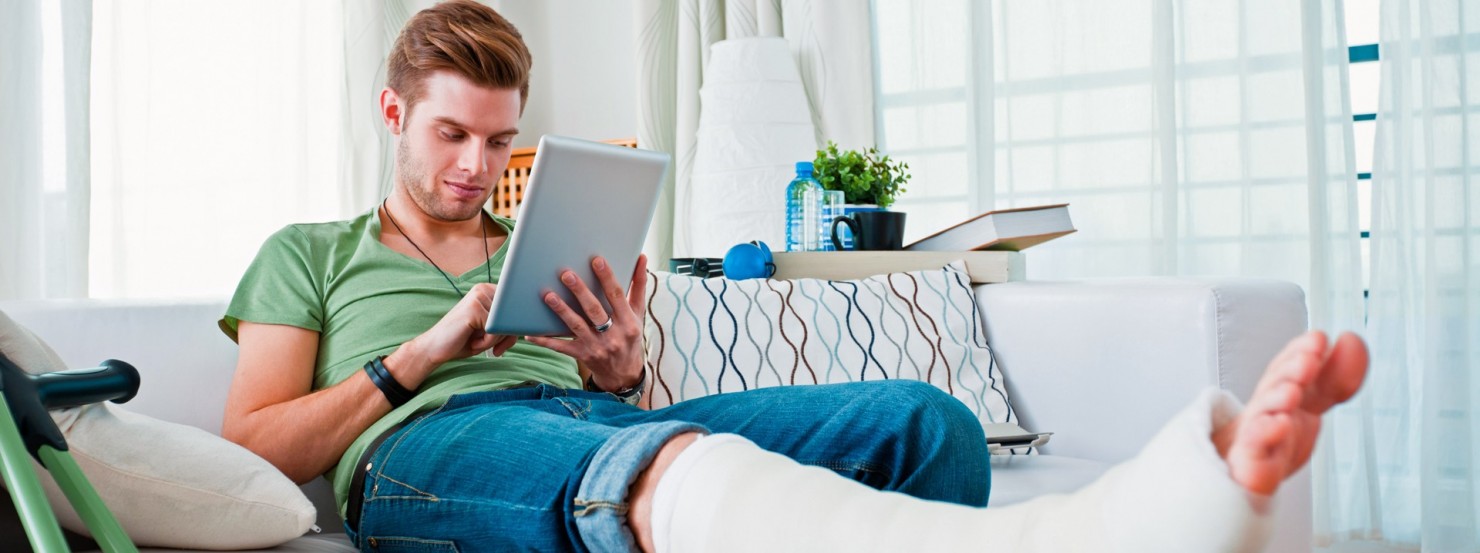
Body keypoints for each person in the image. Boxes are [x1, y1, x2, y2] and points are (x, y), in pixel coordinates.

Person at [217, 2, 1370, 552]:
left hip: (587, 419)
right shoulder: (311, 253)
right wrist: (420, 358)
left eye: (497, 140)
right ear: (392, 115)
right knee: (648, 465)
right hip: (427, 450)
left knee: (925, 425)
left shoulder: (531, 243)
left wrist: (619, 367)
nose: (475, 167)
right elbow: (255, 449)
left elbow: (613, 405)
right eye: (449, 135)